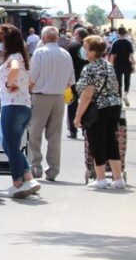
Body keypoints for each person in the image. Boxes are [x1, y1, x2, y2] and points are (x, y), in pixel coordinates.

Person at [74, 35, 126, 189]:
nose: (83, 50)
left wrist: (77, 117)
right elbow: (116, 86)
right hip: (114, 106)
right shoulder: (108, 65)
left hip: (98, 109)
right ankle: (118, 178)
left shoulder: (90, 68)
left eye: (85, 47)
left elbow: (87, 95)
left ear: (92, 51)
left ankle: (101, 178)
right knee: (111, 141)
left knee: (97, 142)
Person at [0, 25, 41, 198]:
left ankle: (18, 182)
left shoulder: (14, 58)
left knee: (11, 146)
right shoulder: (23, 57)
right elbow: (30, 81)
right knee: (10, 145)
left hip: (12, 105)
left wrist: (8, 84)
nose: (0, 42)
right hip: (23, 105)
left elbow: (14, 70)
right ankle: (28, 178)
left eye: (1, 39)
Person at [28, 26, 76, 181]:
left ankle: (35, 165)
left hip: (41, 96)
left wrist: (29, 90)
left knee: (34, 133)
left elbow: (32, 76)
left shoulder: (40, 53)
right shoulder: (66, 54)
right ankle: (53, 169)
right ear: (57, 38)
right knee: (55, 135)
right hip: (59, 97)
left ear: (43, 38)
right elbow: (71, 80)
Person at [66, 28, 90, 138]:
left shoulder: (72, 46)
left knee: (72, 104)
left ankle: (73, 130)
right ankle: (87, 129)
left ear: (78, 36)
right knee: (87, 103)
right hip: (87, 78)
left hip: (74, 79)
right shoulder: (90, 46)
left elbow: (68, 63)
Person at [108, 26, 133, 106]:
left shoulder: (115, 42)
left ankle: (119, 99)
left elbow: (112, 56)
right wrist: (133, 66)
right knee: (127, 81)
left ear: (118, 33)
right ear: (125, 33)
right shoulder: (129, 43)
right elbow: (131, 56)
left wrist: (110, 66)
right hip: (127, 64)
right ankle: (125, 95)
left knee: (118, 82)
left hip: (117, 64)